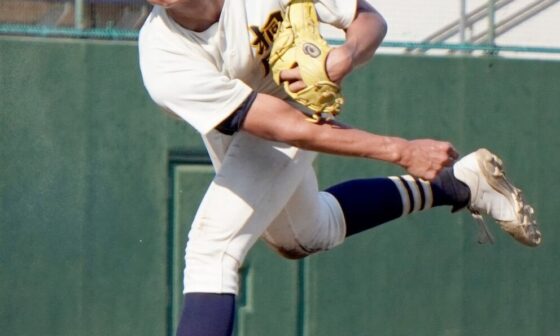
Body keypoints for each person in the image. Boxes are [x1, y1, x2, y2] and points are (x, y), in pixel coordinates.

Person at [138, 0, 541, 335]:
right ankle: (457, 184)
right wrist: (401, 151)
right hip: (258, 120)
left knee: (212, 251)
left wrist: (343, 56)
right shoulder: (162, 55)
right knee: (307, 235)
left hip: (293, 104)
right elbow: (282, 126)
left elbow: (368, 19)